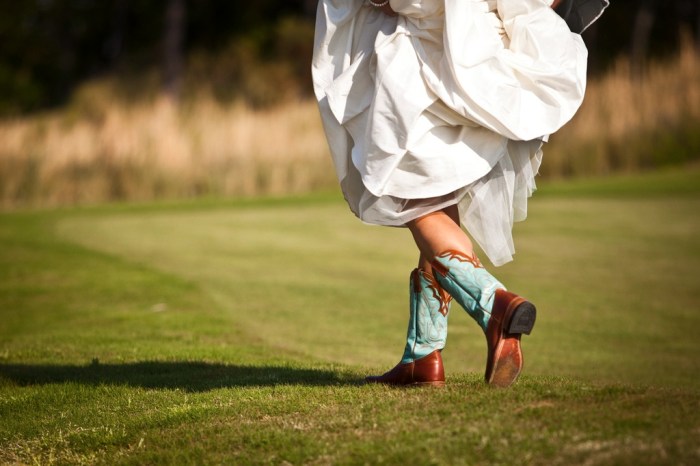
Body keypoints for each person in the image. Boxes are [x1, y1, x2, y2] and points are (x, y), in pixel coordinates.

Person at [311, 0, 607, 387]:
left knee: (412, 201)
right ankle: (422, 354)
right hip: (486, 69)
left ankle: (496, 305)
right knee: (438, 197)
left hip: (425, 71)